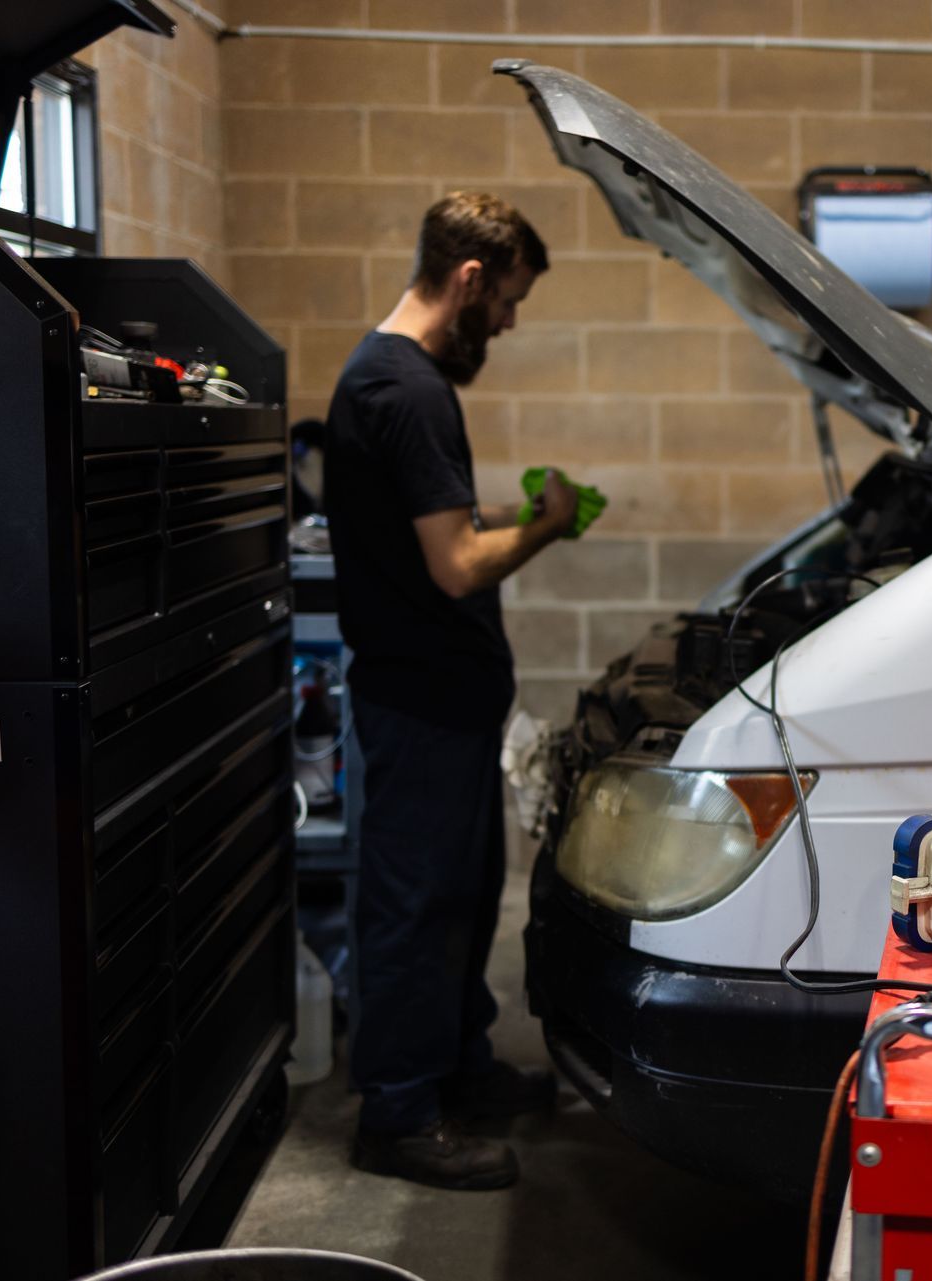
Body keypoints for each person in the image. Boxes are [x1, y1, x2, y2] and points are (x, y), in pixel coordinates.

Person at [323, 191, 582, 1190]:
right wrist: (549, 521)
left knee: (460, 901)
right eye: (507, 302)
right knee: (410, 909)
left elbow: (434, 532)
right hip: (420, 703)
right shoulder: (405, 390)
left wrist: (499, 519)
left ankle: (457, 1067)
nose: (509, 324)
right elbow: (458, 567)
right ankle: (396, 1114)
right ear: (469, 280)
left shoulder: (396, 379)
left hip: (446, 702)